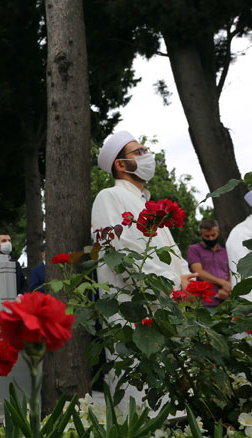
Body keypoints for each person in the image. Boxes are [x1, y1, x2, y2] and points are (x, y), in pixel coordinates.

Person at [92, 130, 194, 408]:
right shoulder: (109, 196)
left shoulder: (147, 203)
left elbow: (172, 252)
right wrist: (174, 283)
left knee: (176, 402)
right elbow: (121, 253)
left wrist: (184, 277)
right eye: (139, 152)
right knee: (141, 402)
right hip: (133, 311)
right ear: (120, 164)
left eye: (146, 150)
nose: (148, 156)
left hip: (167, 307)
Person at [186, 219, 230, 310]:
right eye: (207, 236)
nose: (211, 238)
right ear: (201, 234)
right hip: (203, 302)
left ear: (218, 232)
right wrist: (223, 283)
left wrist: (227, 289)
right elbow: (198, 272)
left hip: (226, 301)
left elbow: (232, 271)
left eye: (213, 235)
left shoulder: (226, 252)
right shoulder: (194, 249)